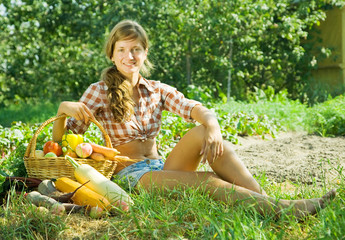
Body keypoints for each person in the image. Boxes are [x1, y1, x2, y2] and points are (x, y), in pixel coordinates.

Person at [52, 19, 336, 219]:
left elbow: (194, 107)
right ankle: (283, 209)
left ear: (145, 52)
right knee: (208, 180)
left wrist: (211, 126)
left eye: (136, 49)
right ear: (112, 54)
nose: (130, 55)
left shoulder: (157, 89)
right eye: (122, 49)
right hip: (130, 178)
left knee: (204, 134)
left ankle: (271, 204)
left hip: (161, 166)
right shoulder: (98, 92)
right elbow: (62, 143)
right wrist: (63, 110)